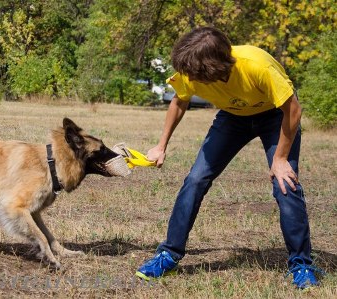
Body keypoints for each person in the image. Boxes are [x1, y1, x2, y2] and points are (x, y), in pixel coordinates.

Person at [135, 27, 323, 289]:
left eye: (193, 75)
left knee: (285, 185)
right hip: (232, 119)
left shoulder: (256, 66)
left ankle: (302, 264)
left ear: (213, 70)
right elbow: (179, 100)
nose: (187, 78)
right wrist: (161, 145)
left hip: (275, 117)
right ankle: (168, 253)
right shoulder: (192, 68)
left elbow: (292, 110)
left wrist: (280, 158)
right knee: (195, 179)